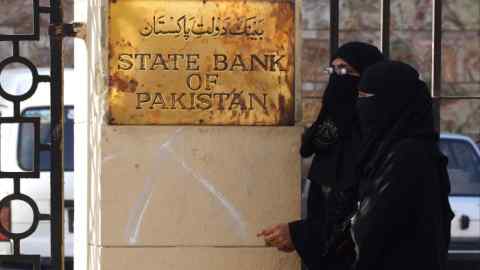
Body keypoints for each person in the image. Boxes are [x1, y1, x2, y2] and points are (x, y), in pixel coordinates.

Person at [257, 42, 384, 269]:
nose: (337, 78)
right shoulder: (332, 120)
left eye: (345, 70)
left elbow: (356, 210)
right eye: (333, 70)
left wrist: (299, 234)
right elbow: (310, 146)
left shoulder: (373, 133)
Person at [352, 61, 454, 270]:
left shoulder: (407, 156)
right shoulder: (395, 150)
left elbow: (375, 226)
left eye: (367, 98)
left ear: (392, 103)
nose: (360, 105)